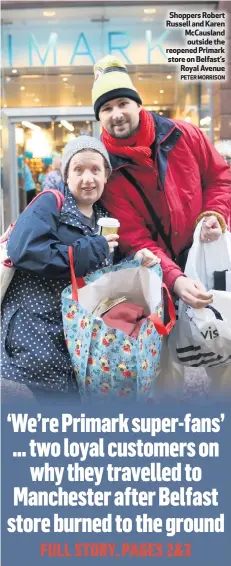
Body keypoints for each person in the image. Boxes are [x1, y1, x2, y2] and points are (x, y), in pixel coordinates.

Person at [1, 135, 158, 397]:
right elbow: (24, 251)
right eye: (79, 169)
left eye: (96, 169)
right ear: (67, 175)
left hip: (75, 332)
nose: (88, 178)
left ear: (106, 175)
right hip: (38, 330)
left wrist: (135, 261)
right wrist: (91, 248)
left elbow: (103, 272)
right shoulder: (49, 203)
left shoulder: (103, 218)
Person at [92, 55, 231, 311]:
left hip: (208, 260)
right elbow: (134, 237)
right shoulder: (106, 170)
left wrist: (216, 215)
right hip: (158, 283)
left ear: (137, 104)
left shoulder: (185, 135)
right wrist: (174, 278)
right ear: (99, 117)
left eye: (123, 103)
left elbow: (220, 179)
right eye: (107, 108)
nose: (117, 114)